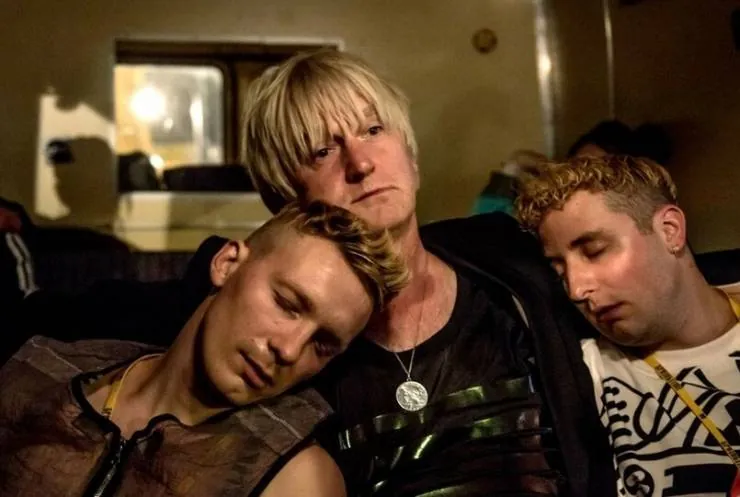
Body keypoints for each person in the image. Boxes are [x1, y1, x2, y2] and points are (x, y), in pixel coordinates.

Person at [21, 50, 617, 496]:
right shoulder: (249, 316)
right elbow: (55, 326)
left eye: (374, 130)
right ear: (288, 199)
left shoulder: (510, 255)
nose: (361, 162)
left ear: (409, 154)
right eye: (321, 151)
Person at [0, 201, 407, 497]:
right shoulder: (37, 373)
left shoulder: (295, 480)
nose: (288, 349)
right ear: (227, 264)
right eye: (286, 303)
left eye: (322, 344)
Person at [515, 155, 740, 496]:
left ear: (669, 231)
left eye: (595, 251)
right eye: (560, 272)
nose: (576, 288)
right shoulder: (579, 376)